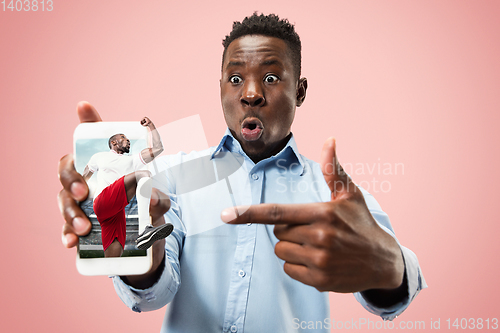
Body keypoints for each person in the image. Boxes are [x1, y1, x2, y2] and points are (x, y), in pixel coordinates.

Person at [58, 13, 426, 332]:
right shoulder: (171, 175)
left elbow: (392, 288)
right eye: (235, 79)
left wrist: (391, 267)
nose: (250, 94)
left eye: (270, 78)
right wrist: (136, 246)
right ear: (220, 89)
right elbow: (153, 294)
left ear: (299, 91)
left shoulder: (334, 193)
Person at [82, 117, 173, 257]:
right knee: (144, 174)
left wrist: (151, 126)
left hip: (116, 209)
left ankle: (113, 268)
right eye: (123, 138)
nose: (128, 140)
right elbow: (85, 175)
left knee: (116, 249)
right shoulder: (99, 156)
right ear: (114, 142)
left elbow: (158, 148)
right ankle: (144, 229)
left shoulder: (132, 160)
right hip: (102, 201)